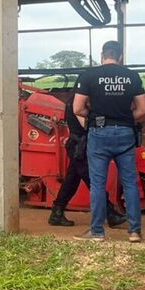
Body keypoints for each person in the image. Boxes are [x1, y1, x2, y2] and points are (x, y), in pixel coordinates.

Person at [72, 40, 145, 243]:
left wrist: (95, 115)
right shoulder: (132, 76)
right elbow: (142, 110)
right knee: (130, 182)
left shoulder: (89, 76)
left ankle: (97, 231)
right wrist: (123, 118)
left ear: (102, 55)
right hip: (125, 133)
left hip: (99, 133)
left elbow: (77, 108)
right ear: (120, 56)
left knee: (98, 183)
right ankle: (134, 231)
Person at [47, 97, 126, 229]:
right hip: (80, 146)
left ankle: (57, 212)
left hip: (77, 145)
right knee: (92, 180)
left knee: (72, 180)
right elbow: (86, 125)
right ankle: (110, 213)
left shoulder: (73, 101)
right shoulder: (79, 103)